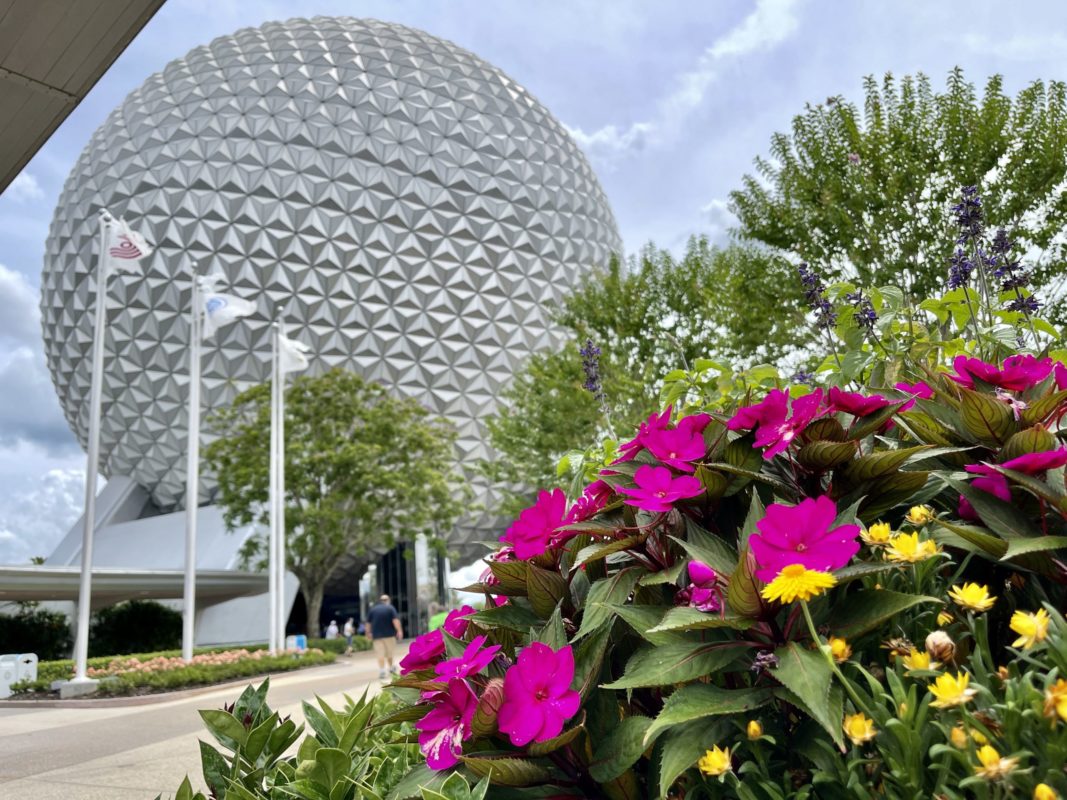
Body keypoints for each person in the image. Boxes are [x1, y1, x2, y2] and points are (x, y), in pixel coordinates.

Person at [367, 594, 403, 679]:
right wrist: (399, 631)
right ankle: (391, 668)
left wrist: (368, 633)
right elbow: (395, 621)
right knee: (389, 653)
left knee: (380, 654)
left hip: (377, 636)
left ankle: (382, 670)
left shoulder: (373, 610)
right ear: (388, 600)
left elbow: (368, 623)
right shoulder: (390, 608)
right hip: (389, 635)